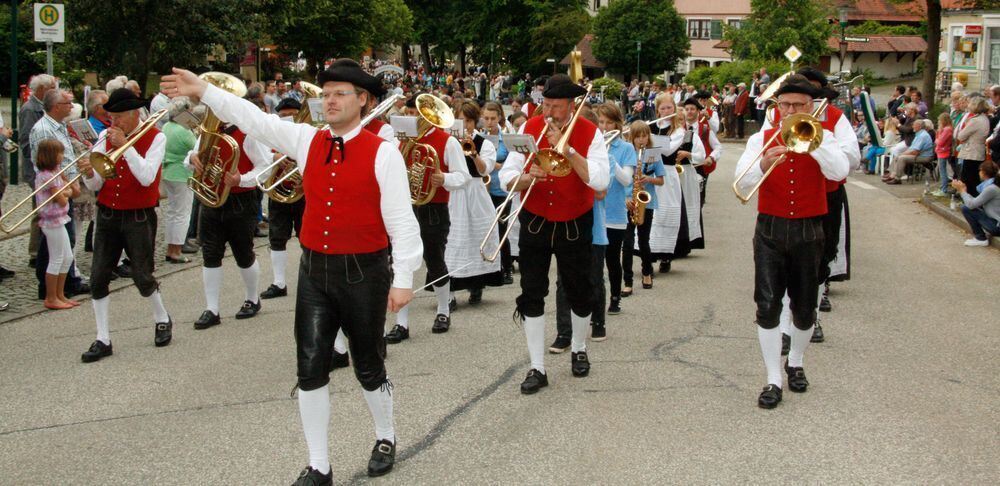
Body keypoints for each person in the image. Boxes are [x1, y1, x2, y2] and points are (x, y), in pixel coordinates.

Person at [162, 59, 422, 482]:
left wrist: (404, 279)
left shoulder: (384, 153)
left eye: (341, 93)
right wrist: (202, 91)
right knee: (310, 366)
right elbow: (253, 119)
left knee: (368, 365)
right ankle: (319, 463)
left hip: (364, 271)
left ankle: (386, 434)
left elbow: (403, 224)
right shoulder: (306, 139)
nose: (331, 100)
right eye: (327, 93)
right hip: (315, 270)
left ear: (363, 101)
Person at [733, 75, 849, 409]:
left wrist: (816, 147)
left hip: (809, 230)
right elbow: (741, 182)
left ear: (811, 108)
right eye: (785, 105)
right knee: (767, 306)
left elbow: (840, 171)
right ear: (777, 108)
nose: (791, 111)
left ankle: (795, 361)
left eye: (799, 105)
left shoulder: (822, 138)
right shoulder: (761, 139)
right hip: (770, 229)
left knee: (804, 307)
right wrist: (765, 164)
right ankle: (773, 378)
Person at [498, 74, 610, 394]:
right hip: (535, 219)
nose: (549, 113)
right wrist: (524, 176)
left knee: (579, 289)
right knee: (532, 291)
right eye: (546, 105)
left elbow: (599, 181)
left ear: (571, 106)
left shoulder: (591, 134)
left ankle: (578, 348)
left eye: (556, 107)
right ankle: (537, 366)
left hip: (575, 220)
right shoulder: (529, 127)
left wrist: (570, 149)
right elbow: (507, 175)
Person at [77, 88, 175, 362]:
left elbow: (146, 178)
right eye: (111, 117)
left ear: (134, 114)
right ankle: (102, 338)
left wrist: (127, 146)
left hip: (138, 215)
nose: (114, 123)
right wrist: (87, 173)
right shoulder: (103, 137)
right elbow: (97, 184)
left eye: (119, 117)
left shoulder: (157, 137)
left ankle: (161, 317)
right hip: (108, 213)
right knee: (98, 277)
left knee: (142, 275)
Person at [384, 94, 470, 343]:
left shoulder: (447, 141)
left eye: (416, 114)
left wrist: (443, 178)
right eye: (410, 114)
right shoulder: (401, 142)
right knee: (401, 263)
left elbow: (462, 177)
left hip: (433, 208)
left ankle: (443, 310)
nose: (412, 118)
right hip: (405, 208)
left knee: (435, 261)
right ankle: (401, 323)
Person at [185, 97, 274, 330]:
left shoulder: (249, 132)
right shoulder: (209, 130)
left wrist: (240, 179)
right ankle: (212, 308)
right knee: (210, 253)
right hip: (211, 198)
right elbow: (191, 156)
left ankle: (252, 299)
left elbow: (265, 166)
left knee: (243, 251)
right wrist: (192, 159)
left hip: (240, 200)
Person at [446, 101, 502, 306]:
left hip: (475, 191)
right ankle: (449, 293)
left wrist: (474, 153)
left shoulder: (484, 142)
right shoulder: (449, 140)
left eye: (468, 121)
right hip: (455, 192)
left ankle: (476, 286)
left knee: (478, 237)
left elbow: (484, 170)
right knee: (453, 240)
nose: (465, 125)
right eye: (461, 120)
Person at [260, 98, 307, 301]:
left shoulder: (306, 136)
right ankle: (279, 282)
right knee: (277, 237)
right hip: (279, 190)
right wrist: (276, 156)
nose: (288, 118)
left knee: (307, 237)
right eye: (284, 115)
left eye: (292, 114)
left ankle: (310, 279)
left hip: (303, 193)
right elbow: (261, 159)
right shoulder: (272, 137)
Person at [596, 103, 636, 326]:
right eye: (601, 122)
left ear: (617, 125)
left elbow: (627, 180)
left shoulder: (625, 149)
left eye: (609, 122)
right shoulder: (595, 144)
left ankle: (615, 296)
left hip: (615, 211)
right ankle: (597, 297)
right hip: (596, 210)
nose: (604, 127)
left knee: (612, 258)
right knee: (596, 259)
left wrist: (610, 159)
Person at [647, 94, 693, 273]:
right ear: (657, 109)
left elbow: (667, 150)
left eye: (669, 108)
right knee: (651, 214)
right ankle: (648, 255)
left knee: (665, 213)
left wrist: (648, 139)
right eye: (663, 108)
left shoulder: (679, 130)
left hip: (667, 173)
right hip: (651, 171)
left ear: (674, 109)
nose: (666, 111)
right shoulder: (651, 126)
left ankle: (665, 255)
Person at [34, 139, 81, 309]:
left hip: (60, 218)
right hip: (51, 221)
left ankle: (60, 294)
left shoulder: (56, 172)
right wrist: (66, 191)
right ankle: (51, 297)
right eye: (60, 153)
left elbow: (75, 192)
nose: (62, 156)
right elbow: (61, 200)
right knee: (56, 258)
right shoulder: (46, 176)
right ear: (50, 155)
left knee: (67, 257)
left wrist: (66, 186)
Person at [19, 74, 57, 267]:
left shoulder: (40, 107)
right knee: (40, 210)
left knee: (43, 209)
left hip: (45, 165)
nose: (54, 91)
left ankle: (42, 248)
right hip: (37, 168)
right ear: (42, 89)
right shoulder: (30, 109)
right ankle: (36, 252)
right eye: (52, 87)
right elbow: (25, 143)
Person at [626, 120, 666, 289]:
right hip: (629, 202)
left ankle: (647, 272)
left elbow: (661, 180)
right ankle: (627, 279)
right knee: (627, 242)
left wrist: (648, 179)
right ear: (632, 138)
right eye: (638, 137)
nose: (641, 140)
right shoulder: (628, 153)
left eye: (644, 136)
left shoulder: (653, 154)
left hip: (646, 203)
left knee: (643, 240)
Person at [160, 97, 197, 264]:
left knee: (173, 213)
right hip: (182, 173)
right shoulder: (184, 130)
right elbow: (197, 148)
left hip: (169, 172)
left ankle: (171, 248)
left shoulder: (167, 126)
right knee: (182, 214)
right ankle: (176, 250)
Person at [481, 101, 514, 283]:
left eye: (493, 118)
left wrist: (495, 163)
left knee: (501, 230)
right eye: (486, 118)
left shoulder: (507, 138)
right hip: (483, 190)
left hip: (500, 190)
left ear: (499, 118)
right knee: (485, 229)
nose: (490, 122)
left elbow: (512, 164)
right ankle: (489, 269)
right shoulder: (479, 137)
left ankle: (507, 268)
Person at [952, 160, 1000, 246]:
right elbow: (975, 202)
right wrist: (964, 191)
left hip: (997, 226)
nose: (979, 173)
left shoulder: (991, 188)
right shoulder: (991, 185)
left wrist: (962, 191)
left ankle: (980, 238)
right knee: (967, 207)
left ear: (983, 173)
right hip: (995, 223)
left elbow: (971, 205)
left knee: (966, 208)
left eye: (980, 171)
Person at [956, 96, 991, 197]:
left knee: (968, 179)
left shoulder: (975, 120)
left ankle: (969, 200)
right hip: (979, 151)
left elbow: (961, 135)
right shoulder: (985, 119)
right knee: (974, 178)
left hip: (971, 152)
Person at [932, 113, 955, 196]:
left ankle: (944, 189)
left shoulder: (947, 130)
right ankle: (942, 188)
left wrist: (937, 138)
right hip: (941, 152)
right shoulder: (946, 129)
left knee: (943, 172)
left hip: (943, 152)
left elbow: (940, 142)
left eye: (939, 120)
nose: (938, 122)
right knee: (942, 171)